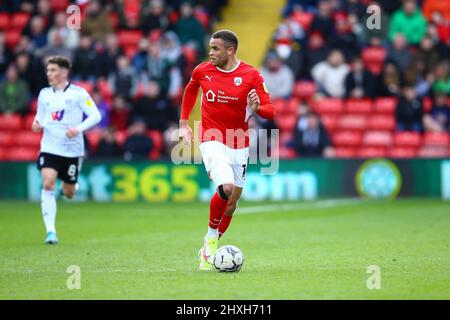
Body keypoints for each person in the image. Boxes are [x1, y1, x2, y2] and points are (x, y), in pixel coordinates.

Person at [178, 30, 276, 271]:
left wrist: (257, 108)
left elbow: (270, 110)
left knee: (232, 203)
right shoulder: (202, 71)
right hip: (211, 138)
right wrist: (183, 124)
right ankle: (210, 239)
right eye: (210, 48)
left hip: (239, 143)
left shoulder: (251, 75)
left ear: (230, 50)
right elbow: (191, 90)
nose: (211, 53)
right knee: (227, 186)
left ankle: (207, 252)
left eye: (216, 49)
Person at [31, 56, 101, 245]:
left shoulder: (78, 93)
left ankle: (71, 186)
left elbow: (96, 115)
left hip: (72, 150)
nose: (49, 74)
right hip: (50, 147)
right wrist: (36, 124)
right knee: (48, 183)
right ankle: (51, 232)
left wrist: (77, 129)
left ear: (64, 72)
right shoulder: (44, 94)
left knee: (69, 193)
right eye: (48, 70)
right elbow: (40, 117)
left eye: (53, 70)